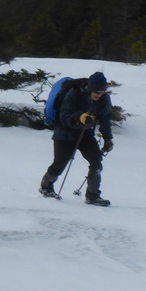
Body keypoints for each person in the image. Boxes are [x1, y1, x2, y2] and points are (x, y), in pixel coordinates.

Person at [40, 71, 114, 205]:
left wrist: (108, 139)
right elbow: (64, 115)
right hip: (64, 133)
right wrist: (78, 117)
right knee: (60, 163)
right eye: (97, 93)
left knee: (96, 161)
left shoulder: (104, 99)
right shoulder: (74, 93)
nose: (99, 95)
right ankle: (46, 186)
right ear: (90, 89)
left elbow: (105, 120)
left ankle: (92, 195)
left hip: (85, 134)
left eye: (102, 93)